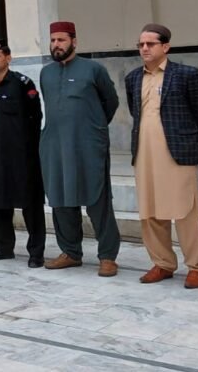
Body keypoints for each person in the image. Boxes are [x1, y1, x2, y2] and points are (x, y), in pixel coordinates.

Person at [126, 24, 198, 289]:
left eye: (150, 44)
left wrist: (182, 135)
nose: (145, 48)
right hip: (144, 153)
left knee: (185, 210)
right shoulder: (132, 78)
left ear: (165, 46)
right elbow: (134, 112)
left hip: (178, 152)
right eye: (141, 44)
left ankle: (195, 267)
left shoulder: (187, 74)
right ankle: (162, 263)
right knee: (150, 210)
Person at [39, 21, 121, 277]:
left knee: (98, 199)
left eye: (61, 40)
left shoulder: (93, 69)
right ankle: (71, 252)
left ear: (74, 42)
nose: (56, 45)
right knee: (61, 198)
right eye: (53, 40)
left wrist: (93, 128)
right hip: (55, 146)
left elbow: (111, 102)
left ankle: (107, 256)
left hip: (87, 145)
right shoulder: (46, 73)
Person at [0, 40, 46, 268]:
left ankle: (36, 252)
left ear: (8, 58)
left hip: (23, 152)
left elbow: (36, 116)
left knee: (30, 202)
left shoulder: (22, 84)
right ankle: (3, 247)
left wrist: (30, 147)